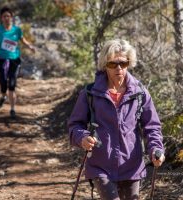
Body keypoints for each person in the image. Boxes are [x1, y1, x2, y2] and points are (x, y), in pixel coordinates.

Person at [68, 39, 165, 200]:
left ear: (129, 63)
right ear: (105, 65)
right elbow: (75, 125)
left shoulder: (140, 93)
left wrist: (155, 149)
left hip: (132, 167)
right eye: (113, 64)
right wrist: (82, 138)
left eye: (123, 63)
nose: (119, 68)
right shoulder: (90, 93)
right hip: (100, 166)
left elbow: (152, 126)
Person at [0, 6, 35, 118]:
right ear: (1, 18)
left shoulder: (17, 30)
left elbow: (23, 41)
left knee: (12, 85)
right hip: (1, 59)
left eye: (9, 16)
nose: (7, 18)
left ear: (11, 17)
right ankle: (3, 96)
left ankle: (12, 109)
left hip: (14, 60)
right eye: (4, 16)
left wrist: (30, 46)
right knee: (3, 83)